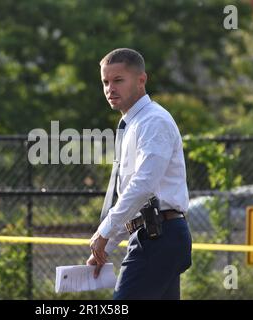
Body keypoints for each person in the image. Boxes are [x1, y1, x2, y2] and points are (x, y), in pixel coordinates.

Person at [87, 48, 192, 300]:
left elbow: (143, 186)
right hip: (156, 235)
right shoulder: (133, 123)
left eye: (118, 80)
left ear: (141, 80)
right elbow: (137, 202)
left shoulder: (152, 121)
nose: (110, 89)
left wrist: (104, 233)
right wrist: (107, 246)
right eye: (105, 82)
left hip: (159, 237)